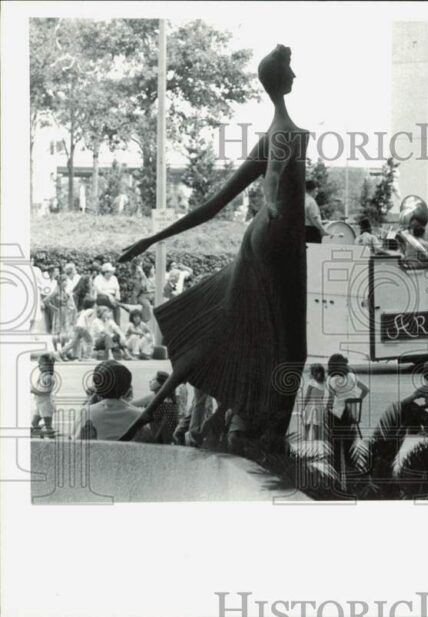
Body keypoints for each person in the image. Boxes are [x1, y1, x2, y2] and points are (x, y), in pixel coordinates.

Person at [116, 46, 321, 452]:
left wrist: (152, 239)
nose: (296, 76)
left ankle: (236, 426)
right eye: (291, 72)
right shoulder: (283, 134)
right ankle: (266, 437)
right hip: (275, 241)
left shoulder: (275, 134)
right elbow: (274, 175)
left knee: (249, 332)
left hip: (268, 241)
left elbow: (214, 204)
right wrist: (273, 200)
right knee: (290, 348)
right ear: (282, 82)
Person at [71, 361, 149, 441]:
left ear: (96, 387)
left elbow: (75, 440)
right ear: (127, 389)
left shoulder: (85, 413)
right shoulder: (138, 416)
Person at [326, 354, 369, 479]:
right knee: (348, 448)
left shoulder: (332, 380)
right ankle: (351, 470)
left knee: (335, 446)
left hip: (339, 419)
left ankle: (337, 472)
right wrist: (357, 400)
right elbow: (366, 389)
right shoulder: (352, 376)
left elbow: (330, 402)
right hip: (352, 417)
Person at [43, 274, 76, 352]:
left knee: (64, 331)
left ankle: (62, 350)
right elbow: (45, 300)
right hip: (59, 312)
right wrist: (54, 308)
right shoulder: (56, 291)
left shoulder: (64, 291)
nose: (66, 283)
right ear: (60, 282)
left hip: (65, 312)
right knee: (57, 331)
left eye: (66, 281)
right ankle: (56, 350)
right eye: (64, 281)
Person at [30, 353, 57, 437]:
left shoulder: (48, 377)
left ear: (48, 365)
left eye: (41, 364)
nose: (39, 366)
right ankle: (40, 433)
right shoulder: (42, 375)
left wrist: (34, 391)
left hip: (46, 405)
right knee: (34, 422)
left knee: (48, 425)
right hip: (40, 404)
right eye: (39, 364)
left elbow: (46, 392)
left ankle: (52, 439)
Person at [300, 364, 327, 441]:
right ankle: (313, 446)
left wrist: (302, 408)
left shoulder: (311, 382)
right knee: (315, 428)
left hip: (312, 405)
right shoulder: (323, 383)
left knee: (308, 428)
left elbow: (307, 396)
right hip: (318, 406)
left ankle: (307, 445)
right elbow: (322, 397)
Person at [304, 179, 329, 243]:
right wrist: (322, 230)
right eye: (316, 191)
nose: (316, 194)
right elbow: (314, 219)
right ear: (311, 190)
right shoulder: (311, 201)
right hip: (312, 231)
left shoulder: (302, 200)